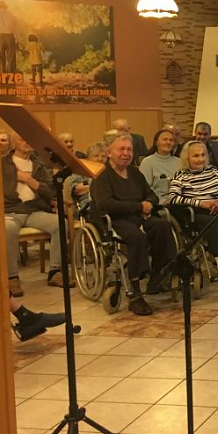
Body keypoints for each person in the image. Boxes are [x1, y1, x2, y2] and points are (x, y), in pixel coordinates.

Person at [90, 133, 176, 315]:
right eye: (121, 149)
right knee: (137, 237)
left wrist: (148, 204)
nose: (126, 153)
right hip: (116, 220)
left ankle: (158, 274)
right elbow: (105, 204)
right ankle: (135, 291)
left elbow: (151, 195)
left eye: (129, 149)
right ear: (109, 152)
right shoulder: (102, 176)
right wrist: (139, 206)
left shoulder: (135, 173)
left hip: (139, 216)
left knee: (163, 226)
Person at [167, 140, 218, 278]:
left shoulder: (213, 171)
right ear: (187, 158)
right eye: (196, 156)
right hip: (197, 212)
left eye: (203, 155)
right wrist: (200, 203)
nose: (200, 159)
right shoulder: (181, 175)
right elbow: (173, 198)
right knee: (211, 223)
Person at [3, 133, 65, 295]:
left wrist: (31, 181)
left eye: (29, 138)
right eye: (22, 138)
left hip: (33, 210)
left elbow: (51, 192)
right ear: (13, 144)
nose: (27, 141)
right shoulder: (2, 164)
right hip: (10, 211)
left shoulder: (39, 165)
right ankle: (12, 277)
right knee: (7, 228)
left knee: (60, 223)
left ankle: (55, 271)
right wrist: (15, 177)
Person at [139, 129, 180, 203]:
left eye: (171, 140)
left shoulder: (179, 162)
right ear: (156, 142)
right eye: (165, 139)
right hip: (157, 203)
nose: (168, 142)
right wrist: (162, 201)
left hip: (178, 202)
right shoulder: (147, 162)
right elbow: (144, 189)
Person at [68, 141, 106, 208]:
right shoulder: (80, 171)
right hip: (88, 204)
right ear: (88, 158)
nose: (100, 159)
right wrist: (101, 187)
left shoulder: (109, 171)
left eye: (103, 156)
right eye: (96, 156)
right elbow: (77, 190)